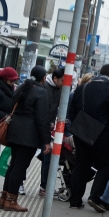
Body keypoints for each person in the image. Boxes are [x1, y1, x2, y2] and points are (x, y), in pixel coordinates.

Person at [68, 64, 109, 211]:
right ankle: (95, 197)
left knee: (80, 164)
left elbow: (71, 110)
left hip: (81, 132)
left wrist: (76, 128)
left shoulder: (82, 88)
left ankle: (75, 200)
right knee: (106, 165)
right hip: (103, 135)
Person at [0, 66, 51, 212]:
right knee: (20, 167)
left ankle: (4, 198)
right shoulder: (41, 92)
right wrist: (46, 140)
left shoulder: (22, 87)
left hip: (15, 130)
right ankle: (11, 200)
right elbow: (42, 119)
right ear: (43, 78)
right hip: (28, 135)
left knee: (13, 165)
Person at [38, 67, 65, 196]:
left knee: (47, 156)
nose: (65, 84)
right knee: (26, 155)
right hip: (37, 127)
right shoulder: (44, 88)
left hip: (47, 127)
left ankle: (44, 187)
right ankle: (20, 183)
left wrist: (52, 122)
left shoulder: (59, 89)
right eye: (63, 80)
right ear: (55, 79)